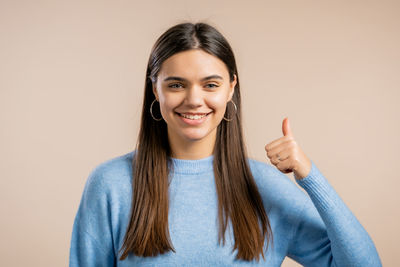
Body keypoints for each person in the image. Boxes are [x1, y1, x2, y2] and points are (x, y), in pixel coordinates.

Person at [69, 22, 382, 266]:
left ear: (231, 88)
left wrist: (310, 176)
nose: (194, 100)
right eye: (176, 84)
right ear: (155, 89)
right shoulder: (111, 185)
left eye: (210, 85)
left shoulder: (266, 189)